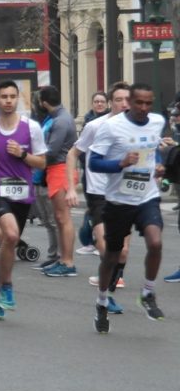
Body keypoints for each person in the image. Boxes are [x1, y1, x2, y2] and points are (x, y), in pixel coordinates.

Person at [88, 83, 167, 333]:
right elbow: (94, 163)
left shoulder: (157, 122)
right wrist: (120, 163)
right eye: (139, 103)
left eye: (148, 103)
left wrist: (161, 165)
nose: (144, 108)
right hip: (118, 200)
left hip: (147, 196)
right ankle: (101, 301)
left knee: (155, 242)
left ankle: (147, 292)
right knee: (111, 256)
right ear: (129, 103)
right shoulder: (111, 127)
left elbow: (154, 151)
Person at [0, 81, 48, 319]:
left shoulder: (31, 128)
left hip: (22, 195)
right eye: (3, 96)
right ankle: (7, 286)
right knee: (12, 235)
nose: (8, 100)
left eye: (12, 96)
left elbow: (42, 162)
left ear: (18, 99)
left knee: (10, 241)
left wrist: (23, 154)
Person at [67, 82, 131, 311]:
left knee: (122, 251)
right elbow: (73, 153)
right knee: (106, 247)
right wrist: (71, 187)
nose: (124, 104)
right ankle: (106, 296)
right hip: (99, 194)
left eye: (127, 100)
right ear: (110, 103)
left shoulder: (138, 127)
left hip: (125, 192)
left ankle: (107, 290)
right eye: (119, 100)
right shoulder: (95, 126)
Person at [37, 86, 79, 278]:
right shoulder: (61, 118)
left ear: (43, 102)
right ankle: (63, 259)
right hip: (57, 169)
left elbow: (52, 150)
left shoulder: (60, 120)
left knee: (63, 218)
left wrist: (32, 157)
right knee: (60, 219)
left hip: (60, 169)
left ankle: (68, 261)